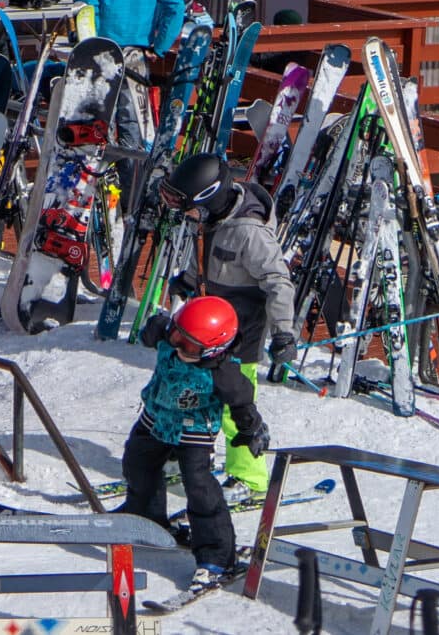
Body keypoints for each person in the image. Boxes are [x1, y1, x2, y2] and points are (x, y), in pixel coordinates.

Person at [163, 154, 298, 495]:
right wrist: (189, 280)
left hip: (241, 332)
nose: (185, 215)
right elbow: (206, 256)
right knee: (189, 392)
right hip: (206, 324)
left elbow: (279, 282)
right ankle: (188, 456)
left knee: (234, 402)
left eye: (188, 208)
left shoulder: (250, 234)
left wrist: (284, 332)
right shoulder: (210, 219)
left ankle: (249, 478)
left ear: (208, 201)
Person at [117, 295, 270, 597]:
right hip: (156, 417)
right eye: (176, 334)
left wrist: (251, 429)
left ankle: (217, 556)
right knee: (137, 462)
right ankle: (146, 517)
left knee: (199, 487)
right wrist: (156, 328)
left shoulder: (224, 373)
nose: (176, 345)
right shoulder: (171, 334)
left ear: (213, 349)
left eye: (187, 345)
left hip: (194, 430)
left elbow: (242, 404)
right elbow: (153, 332)